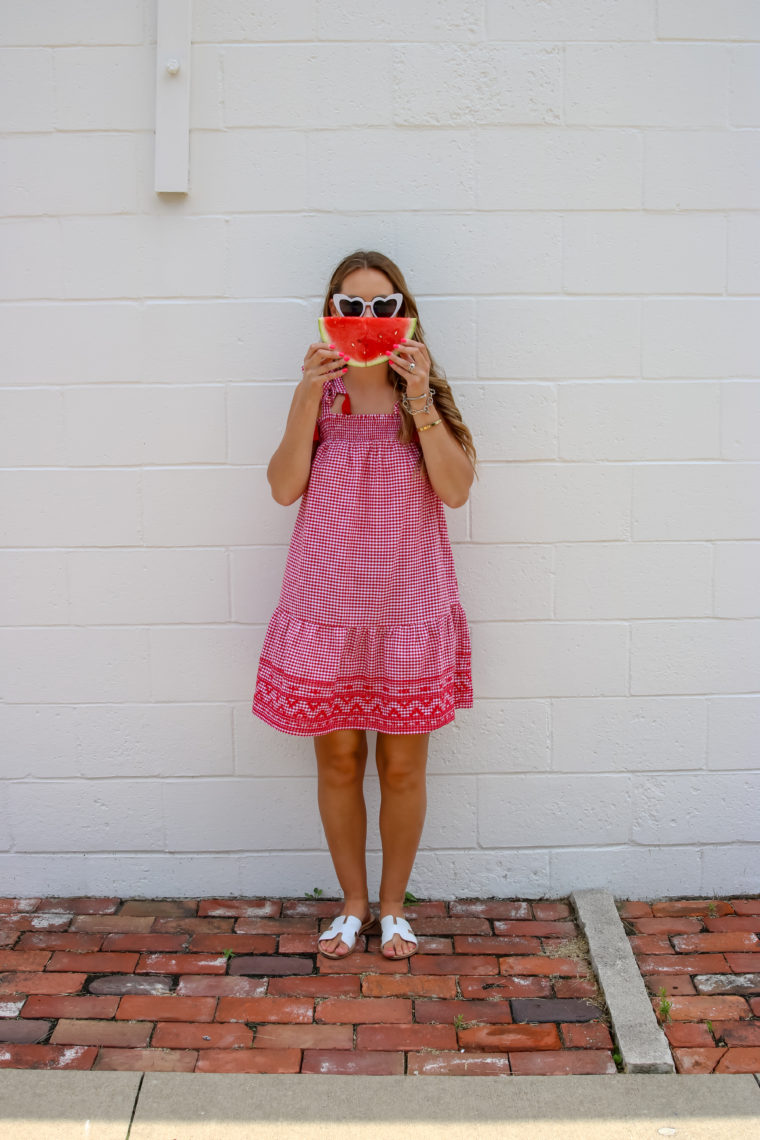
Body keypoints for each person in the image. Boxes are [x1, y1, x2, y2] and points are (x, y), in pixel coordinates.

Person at [251, 250, 477, 960]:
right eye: (351, 307)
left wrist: (417, 396)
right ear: (330, 314)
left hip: (408, 601)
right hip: (328, 599)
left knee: (404, 769)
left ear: (404, 315)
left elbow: (456, 489)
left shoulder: (425, 395)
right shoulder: (322, 395)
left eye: (382, 307)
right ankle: (352, 905)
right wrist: (301, 396)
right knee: (340, 763)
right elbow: (284, 486)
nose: (367, 320)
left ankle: (393, 908)